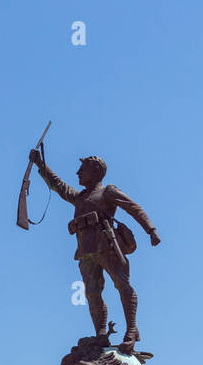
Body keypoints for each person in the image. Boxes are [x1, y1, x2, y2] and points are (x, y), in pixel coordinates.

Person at [29, 150, 160, 354]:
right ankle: (100, 334)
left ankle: (131, 330)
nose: (78, 173)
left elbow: (134, 208)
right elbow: (58, 184)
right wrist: (40, 164)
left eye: (83, 170)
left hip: (107, 247)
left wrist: (151, 230)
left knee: (122, 284)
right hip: (85, 252)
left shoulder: (108, 192)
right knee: (92, 293)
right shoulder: (79, 197)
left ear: (96, 172)